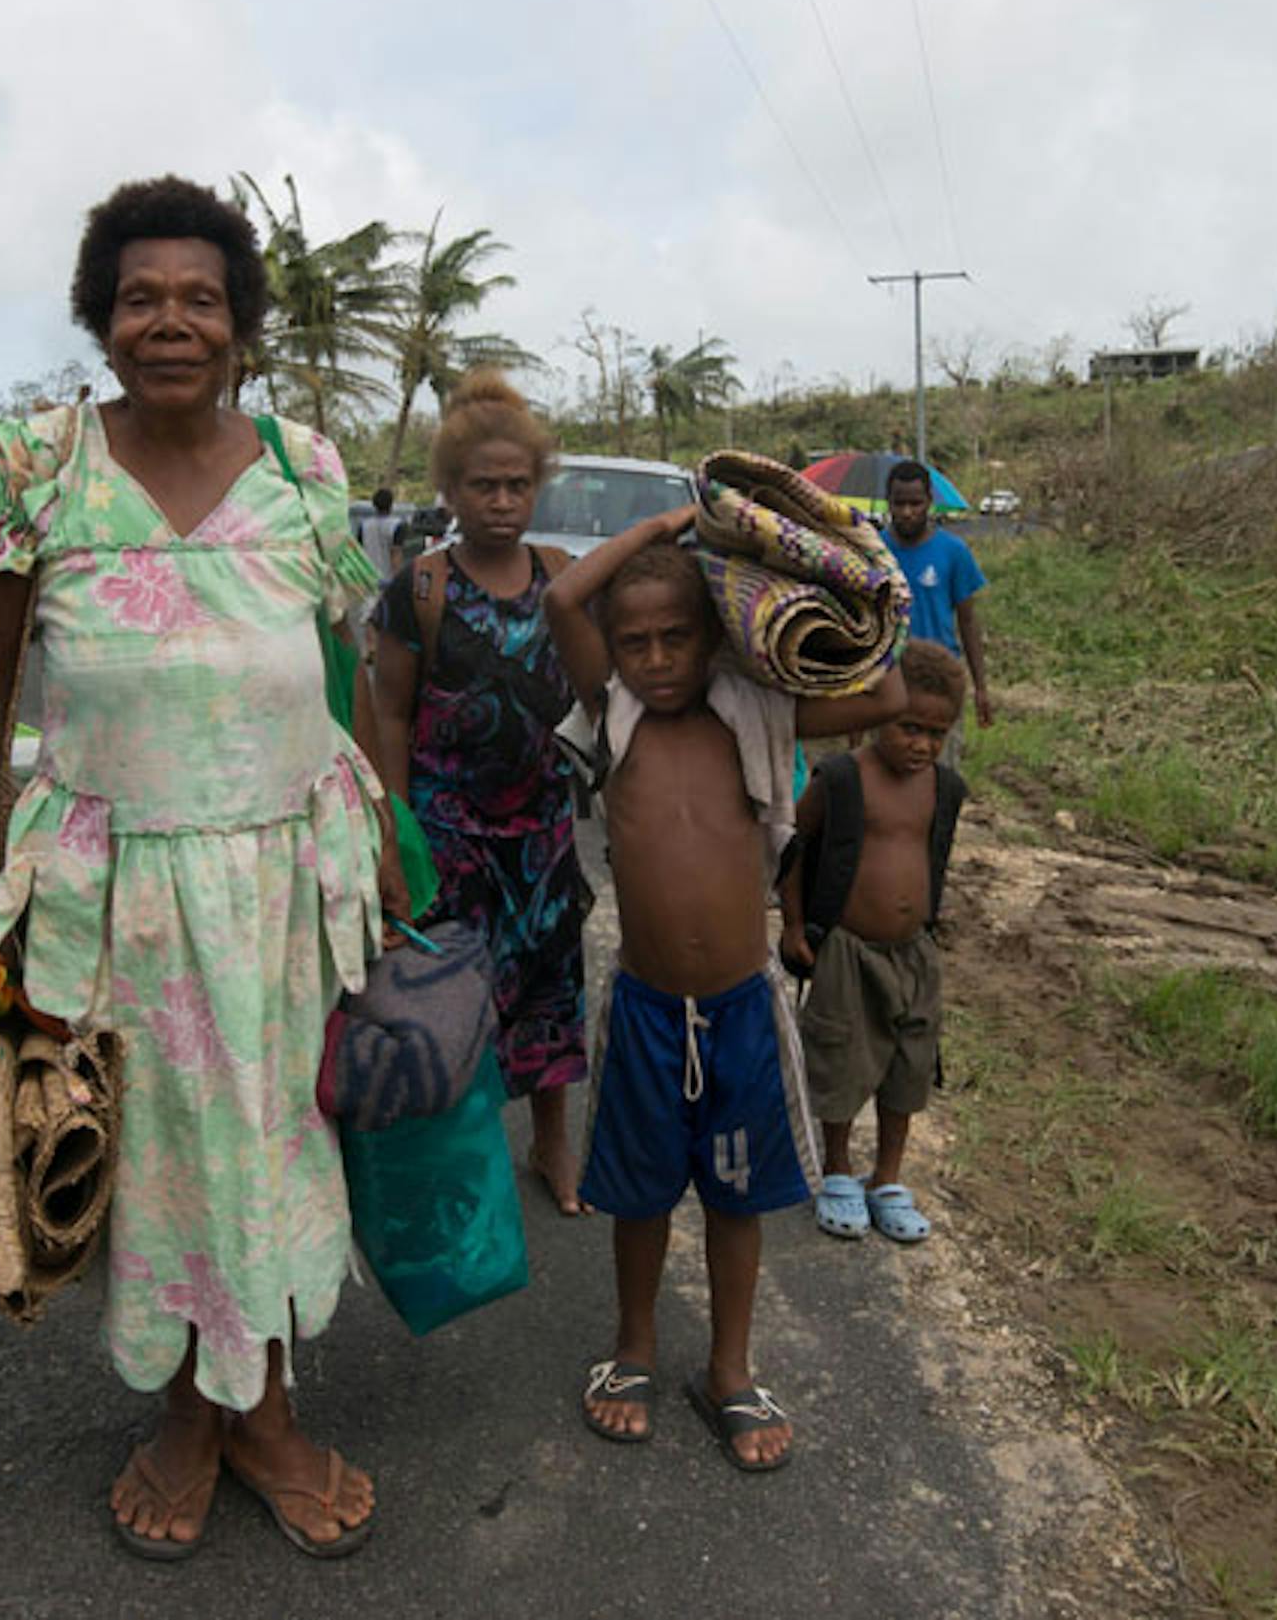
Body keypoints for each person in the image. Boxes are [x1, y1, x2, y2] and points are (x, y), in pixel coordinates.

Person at [0, 174, 401, 1563]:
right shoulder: (31, 466)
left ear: (242, 321)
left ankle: (257, 1407)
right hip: (113, 885)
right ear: (102, 317)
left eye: (202, 297)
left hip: (284, 880)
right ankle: (200, 1417)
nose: (171, 321)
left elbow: (346, 668)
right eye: (143, 298)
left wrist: (388, 847)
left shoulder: (307, 467)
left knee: (274, 1141)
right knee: (150, 1156)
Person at [549, 509, 907, 1473]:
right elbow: (562, 595)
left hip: (744, 1008)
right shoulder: (612, 715)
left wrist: (821, 566)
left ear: (714, 636)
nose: (656, 657)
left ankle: (730, 1367)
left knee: (736, 1199)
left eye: (677, 636)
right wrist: (670, 524)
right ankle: (633, 1349)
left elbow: (890, 689)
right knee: (640, 1193)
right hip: (646, 1008)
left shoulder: (759, 712)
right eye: (636, 642)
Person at [361, 372, 592, 1212]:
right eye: (483, 486)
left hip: (542, 835)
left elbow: (600, 696)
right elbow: (387, 712)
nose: (502, 501)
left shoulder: (564, 580)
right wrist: (392, 827)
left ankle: (554, 1144)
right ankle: (464, 1162)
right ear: (450, 491)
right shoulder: (419, 590)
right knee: (454, 998)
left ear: (538, 486)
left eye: (518, 484)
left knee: (549, 989)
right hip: (449, 836)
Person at [781, 642, 970, 1245]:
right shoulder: (840, 779)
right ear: (871, 715)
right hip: (846, 949)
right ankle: (837, 1170)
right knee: (840, 1059)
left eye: (936, 733)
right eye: (909, 726)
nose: (921, 744)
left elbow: (928, 855)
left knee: (909, 1064)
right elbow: (793, 847)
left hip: (913, 951)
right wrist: (793, 925)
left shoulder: (944, 788)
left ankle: (887, 1178)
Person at [882, 461, 996, 753]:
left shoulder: (953, 552)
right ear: (889, 502)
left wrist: (981, 688)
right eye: (899, 503)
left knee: (939, 774)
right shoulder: (874, 552)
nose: (907, 512)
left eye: (915, 503)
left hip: (940, 683)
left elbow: (967, 621)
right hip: (889, 679)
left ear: (929, 502)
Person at [356, 483, 403, 581]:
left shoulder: (364, 526)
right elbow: (396, 555)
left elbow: (359, 554)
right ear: (391, 504)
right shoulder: (396, 525)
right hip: (387, 579)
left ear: (374, 504)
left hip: (367, 578)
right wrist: (397, 580)